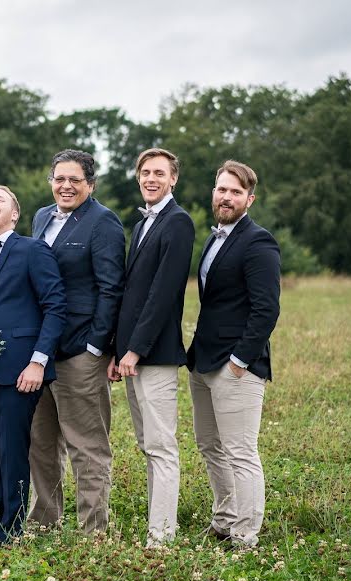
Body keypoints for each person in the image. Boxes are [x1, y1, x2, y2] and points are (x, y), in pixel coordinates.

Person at [0, 185, 67, 543]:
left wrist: (38, 362)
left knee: (12, 450)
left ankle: (12, 531)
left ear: (15, 215)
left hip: (20, 369)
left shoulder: (33, 249)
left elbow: (55, 306)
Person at [28, 149, 125, 533]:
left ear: (90, 184)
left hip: (80, 351)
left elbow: (111, 288)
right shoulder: (40, 217)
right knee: (41, 442)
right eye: (59, 179)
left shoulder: (103, 223)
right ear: (51, 180)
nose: (65, 186)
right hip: (40, 352)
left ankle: (93, 530)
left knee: (87, 446)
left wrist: (97, 346)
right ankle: (45, 520)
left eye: (74, 180)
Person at [187, 160, 280, 548]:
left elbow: (267, 308)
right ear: (214, 193)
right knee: (210, 445)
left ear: (249, 199)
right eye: (222, 189)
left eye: (236, 192)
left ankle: (245, 533)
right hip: (203, 361)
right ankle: (224, 519)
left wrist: (241, 360)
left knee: (240, 451)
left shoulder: (258, 242)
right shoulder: (214, 238)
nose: (226, 197)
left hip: (236, 366)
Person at [108, 148, 195, 547]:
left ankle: (162, 535)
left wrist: (135, 350)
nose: (150, 178)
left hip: (154, 356)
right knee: (147, 444)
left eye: (159, 173)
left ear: (173, 179)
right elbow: (132, 294)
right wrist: (117, 349)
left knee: (161, 446)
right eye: (145, 172)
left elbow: (163, 294)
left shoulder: (178, 223)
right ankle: (156, 526)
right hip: (130, 356)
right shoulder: (143, 223)